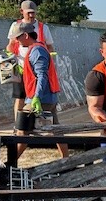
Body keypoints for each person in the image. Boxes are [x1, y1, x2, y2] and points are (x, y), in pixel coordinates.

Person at [10, 22, 68, 159]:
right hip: (48, 97)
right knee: (57, 130)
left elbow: (42, 76)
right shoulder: (38, 48)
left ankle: (10, 162)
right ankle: (66, 160)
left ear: (25, 35)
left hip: (40, 98)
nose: (16, 41)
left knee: (22, 130)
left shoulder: (37, 51)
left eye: (18, 37)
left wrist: (36, 97)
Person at [6, 0, 55, 120]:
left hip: (36, 68)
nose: (31, 15)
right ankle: (18, 125)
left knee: (37, 100)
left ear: (26, 36)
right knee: (20, 97)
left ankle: (23, 127)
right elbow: (10, 45)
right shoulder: (15, 26)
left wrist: (49, 62)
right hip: (21, 68)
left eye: (33, 12)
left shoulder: (43, 29)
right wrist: (9, 61)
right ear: (21, 12)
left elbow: (50, 48)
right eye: (29, 13)